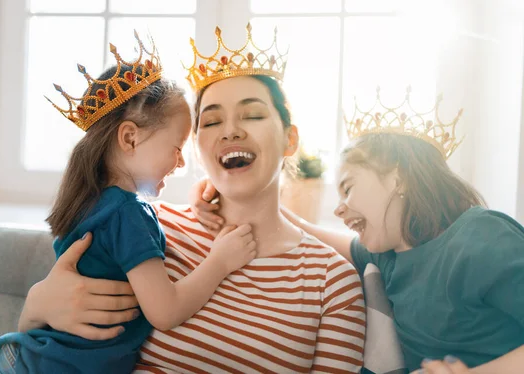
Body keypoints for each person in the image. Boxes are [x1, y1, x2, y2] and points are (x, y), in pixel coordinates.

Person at [13, 24, 367, 373]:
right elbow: (46, 345)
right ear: (195, 147)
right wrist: (35, 307)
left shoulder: (331, 280)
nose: (230, 130)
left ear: (291, 140)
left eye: (254, 114)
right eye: (211, 122)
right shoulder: (148, 224)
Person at [0, 33, 258, 374]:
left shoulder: (92, 202)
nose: (182, 163)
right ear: (130, 137)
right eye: (177, 148)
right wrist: (220, 261)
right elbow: (166, 312)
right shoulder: (129, 213)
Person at [192, 89, 524, 373]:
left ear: (398, 177)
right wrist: (223, 188)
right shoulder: (388, 256)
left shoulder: (481, 238)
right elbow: (299, 226)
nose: (338, 208)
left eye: (348, 189)